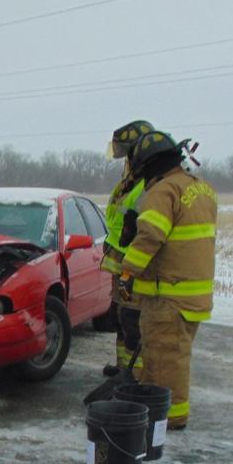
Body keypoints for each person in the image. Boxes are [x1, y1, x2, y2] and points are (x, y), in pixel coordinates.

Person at [118, 131, 217, 431]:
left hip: (168, 296)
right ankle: (163, 412)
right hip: (193, 294)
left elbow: (150, 236)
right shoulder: (201, 189)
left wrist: (127, 273)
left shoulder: (163, 191)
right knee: (171, 357)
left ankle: (169, 418)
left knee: (164, 362)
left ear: (149, 165)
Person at [101, 120, 154, 377]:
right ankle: (124, 369)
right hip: (118, 258)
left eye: (127, 153)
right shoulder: (130, 180)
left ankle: (137, 377)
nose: (125, 160)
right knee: (122, 319)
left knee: (133, 321)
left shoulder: (149, 183)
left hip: (133, 262)